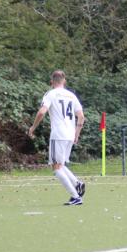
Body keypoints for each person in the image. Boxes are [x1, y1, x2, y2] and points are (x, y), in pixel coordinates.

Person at [29, 70, 85, 205]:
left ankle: (75, 196)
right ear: (64, 81)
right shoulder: (72, 96)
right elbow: (81, 116)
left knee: (56, 168)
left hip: (59, 134)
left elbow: (42, 112)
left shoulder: (51, 94)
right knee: (60, 164)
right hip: (70, 134)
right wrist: (76, 134)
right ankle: (77, 183)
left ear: (51, 82)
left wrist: (33, 127)